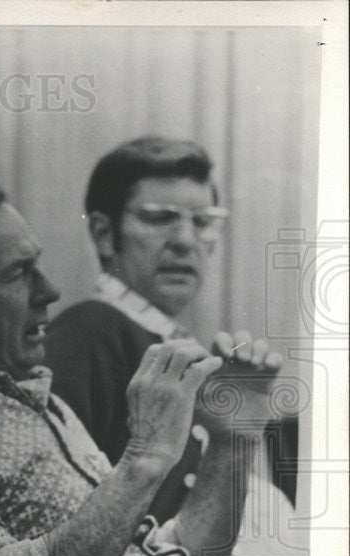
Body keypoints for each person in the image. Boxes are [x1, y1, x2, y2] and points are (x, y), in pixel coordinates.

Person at [0, 182, 283, 556]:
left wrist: (235, 439)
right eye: (19, 273)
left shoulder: (36, 401)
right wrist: (144, 457)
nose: (51, 290)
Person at [45, 136, 298, 525]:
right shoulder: (86, 335)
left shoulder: (170, 341)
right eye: (159, 218)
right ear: (104, 234)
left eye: (203, 222)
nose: (184, 241)